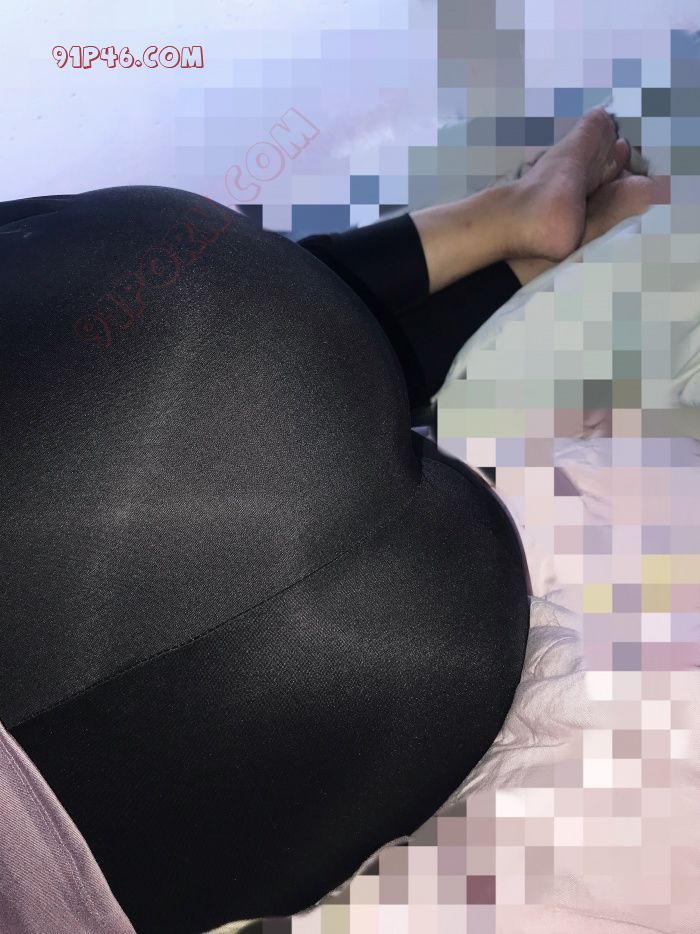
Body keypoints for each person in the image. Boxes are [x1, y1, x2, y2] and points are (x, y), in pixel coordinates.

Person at [0, 107, 663, 934]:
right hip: (171, 293)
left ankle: (526, 240)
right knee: (234, 356)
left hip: (390, 663)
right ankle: (511, 222)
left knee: (267, 406)